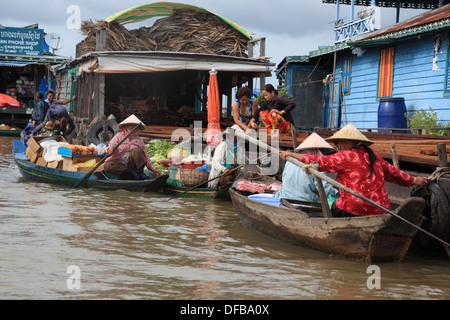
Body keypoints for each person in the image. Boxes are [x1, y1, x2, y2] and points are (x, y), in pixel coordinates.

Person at [279, 123, 429, 217]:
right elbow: (394, 173)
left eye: (345, 141)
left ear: (355, 142)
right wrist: (415, 180)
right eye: (339, 142)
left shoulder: (345, 156)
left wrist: (290, 154)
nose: (341, 144)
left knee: (334, 207)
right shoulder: (374, 155)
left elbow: (320, 162)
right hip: (382, 210)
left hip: (355, 208)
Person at [274, 132, 338, 203]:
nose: (323, 154)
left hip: (285, 201)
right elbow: (325, 190)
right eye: (322, 151)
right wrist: (336, 194)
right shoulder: (315, 164)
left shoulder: (290, 161)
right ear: (316, 150)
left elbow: (284, 181)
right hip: (306, 204)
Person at [104, 114, 160, 180]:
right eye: (131, 124)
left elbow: (146, 156)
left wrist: (153, 169)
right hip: (119, 163)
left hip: (132, 164)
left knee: (137, 150)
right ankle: (130, 171)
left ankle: (140, 172)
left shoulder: (139, 140)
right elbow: (111, 146)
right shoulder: (119, 136)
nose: (134, 127)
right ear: (126, 125)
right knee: (107, 166)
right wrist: (109, 150)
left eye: (135, 125)